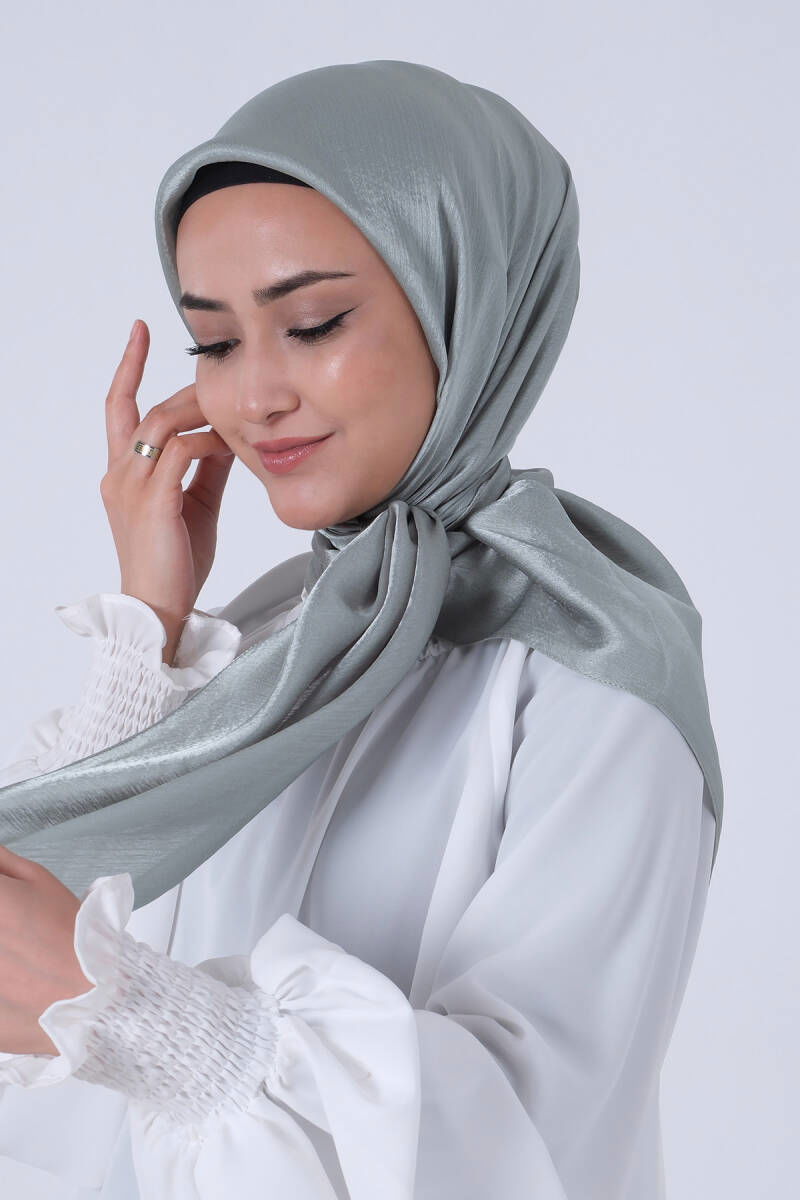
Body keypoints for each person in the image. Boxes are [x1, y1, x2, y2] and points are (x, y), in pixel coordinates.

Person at [0, 61, 720, 1199]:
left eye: (313, 323)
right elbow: (39, 1008)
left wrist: (134, 1016)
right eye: (215, 343)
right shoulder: (274, 640)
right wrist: (148, 627)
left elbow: (527, 1141)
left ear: (466, 307)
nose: (255, 397)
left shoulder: (594, 667)